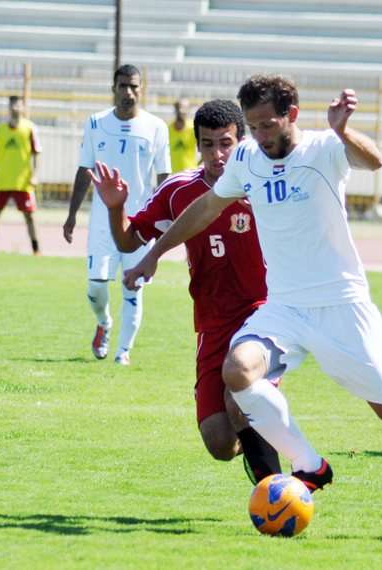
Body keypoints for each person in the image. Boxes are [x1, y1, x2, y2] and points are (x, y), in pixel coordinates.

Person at [123, 74, 382, 542]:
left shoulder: (323, 150)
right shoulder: (246, 158)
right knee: (238, 371)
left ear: (292, 115)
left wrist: (345, 132)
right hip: (284, 309)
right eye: (255, 126)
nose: (262, 136)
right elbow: (205, 208)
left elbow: (374, 160)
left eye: (268, 124)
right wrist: (152, 253)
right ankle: (310, 465)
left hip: (342, 308)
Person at [89, 99, 280, 483]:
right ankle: (263, 426)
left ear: (240, 141)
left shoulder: (264, 183)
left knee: (238, 396)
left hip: (264, 313)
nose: (217, 154)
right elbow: (128, 241)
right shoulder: (178, 191)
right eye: (208, 144)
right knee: (220, 442)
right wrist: (115, 207)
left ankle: (276, 493)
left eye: (225, 143)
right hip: (212, 323)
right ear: (197, 145)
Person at [62, 64, 171, 366]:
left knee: (132, 289)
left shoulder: (156, 127)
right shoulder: (96, 123)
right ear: (113, 88)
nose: (129, 92)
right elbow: (85, 168)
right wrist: (72, 215)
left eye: (134, 86)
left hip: (140, 223)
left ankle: (123, 351)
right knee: (96, 286)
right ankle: (104, 324)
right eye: (123, 86)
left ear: (141, 89)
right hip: (102, 222)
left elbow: (164, 177)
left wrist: (163, 220)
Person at [0, 96, 41, 254]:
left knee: (30, 217)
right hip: (2, 180)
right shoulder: (1, 129)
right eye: (12, 104)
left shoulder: (30, 128)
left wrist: (35, 175)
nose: (15, 107)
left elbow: (36, 154)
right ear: (9, 107)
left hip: (23, 181)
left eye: (18, 104)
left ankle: (36, 249)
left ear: (23, 107)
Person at [169, 98, 198, 173]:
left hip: (190, 175)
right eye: (179, 107)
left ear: (189, 110)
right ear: (175, 109)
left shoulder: (194, 128)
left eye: (185, 108)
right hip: (173, 176)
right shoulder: (167, 129)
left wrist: (198, 167)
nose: (181, 111)